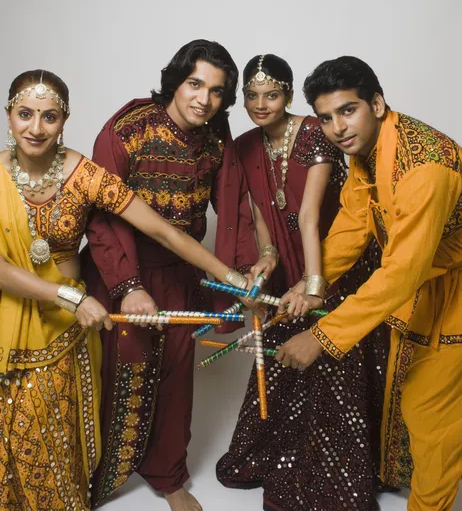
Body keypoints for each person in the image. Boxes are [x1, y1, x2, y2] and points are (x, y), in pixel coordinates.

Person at [0, 68, 253, 511]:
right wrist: (77, 296)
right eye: (25, 114)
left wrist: (232, 279)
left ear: (65, 120)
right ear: (8, 116)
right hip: (24, 313)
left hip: (62, 328)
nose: (36, 128)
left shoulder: (84, 175)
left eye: (50, 117)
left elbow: (167, 233)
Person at [83, 40, 268, 511]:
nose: (203, 99)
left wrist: (241, 276)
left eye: (217, 91)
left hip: (180, 274)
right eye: (195, 84)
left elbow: (231, 209)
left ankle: (167, 476)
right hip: (118, 271)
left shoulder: (214, 137)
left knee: (175, 376)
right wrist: (128, 288)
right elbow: (102, 217)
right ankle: (93, 476)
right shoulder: (127, 129)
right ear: (175, 81)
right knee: (116, 369)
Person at [277, 56, 462, 510]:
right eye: (325, 117)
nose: (338, 127)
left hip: (451, 292)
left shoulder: (424, 168)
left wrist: (322, 335)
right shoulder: (369, 153)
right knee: (419, 409)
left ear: (376, 104)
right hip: (424, 290)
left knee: (429, 417)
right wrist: (311, 284)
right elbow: (354, 225)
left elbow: (401, 271)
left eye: (348, 110)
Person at [216, 54, 390, 511]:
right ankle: (284, 455)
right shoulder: (246, 144)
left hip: (336, 260)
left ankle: (341, 471)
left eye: (271, 94)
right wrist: (268, 255)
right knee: (281, 354)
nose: (260, 104)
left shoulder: (315, 132)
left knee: (335, 360)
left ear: (289, 95)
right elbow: (258, 213)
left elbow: (311, 214)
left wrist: (317, 283)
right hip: (292, 265)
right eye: (251, 96)